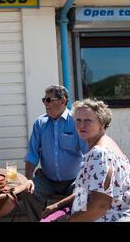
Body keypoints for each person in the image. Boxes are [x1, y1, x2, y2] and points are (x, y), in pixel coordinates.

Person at [42, 99, 130, 221]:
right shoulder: (106, 143)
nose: (82, 125)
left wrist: (69, 220)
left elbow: (100, 206)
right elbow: (87, 191)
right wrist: (58, 205)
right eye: (78, 120)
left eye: (88, 120)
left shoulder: (100, 154)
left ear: (102, 123)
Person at [22, 85, 89, 221]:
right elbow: (32, 154)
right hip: (47, 179)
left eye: (49, 100)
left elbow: (88, 154)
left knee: (83, 195)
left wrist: (86, 179)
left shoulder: (76, 122)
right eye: (44, 100)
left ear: (63, 101)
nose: (45, 103)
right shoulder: (40, 123)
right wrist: (28, 179)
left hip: (74, 180)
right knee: (27, 192)